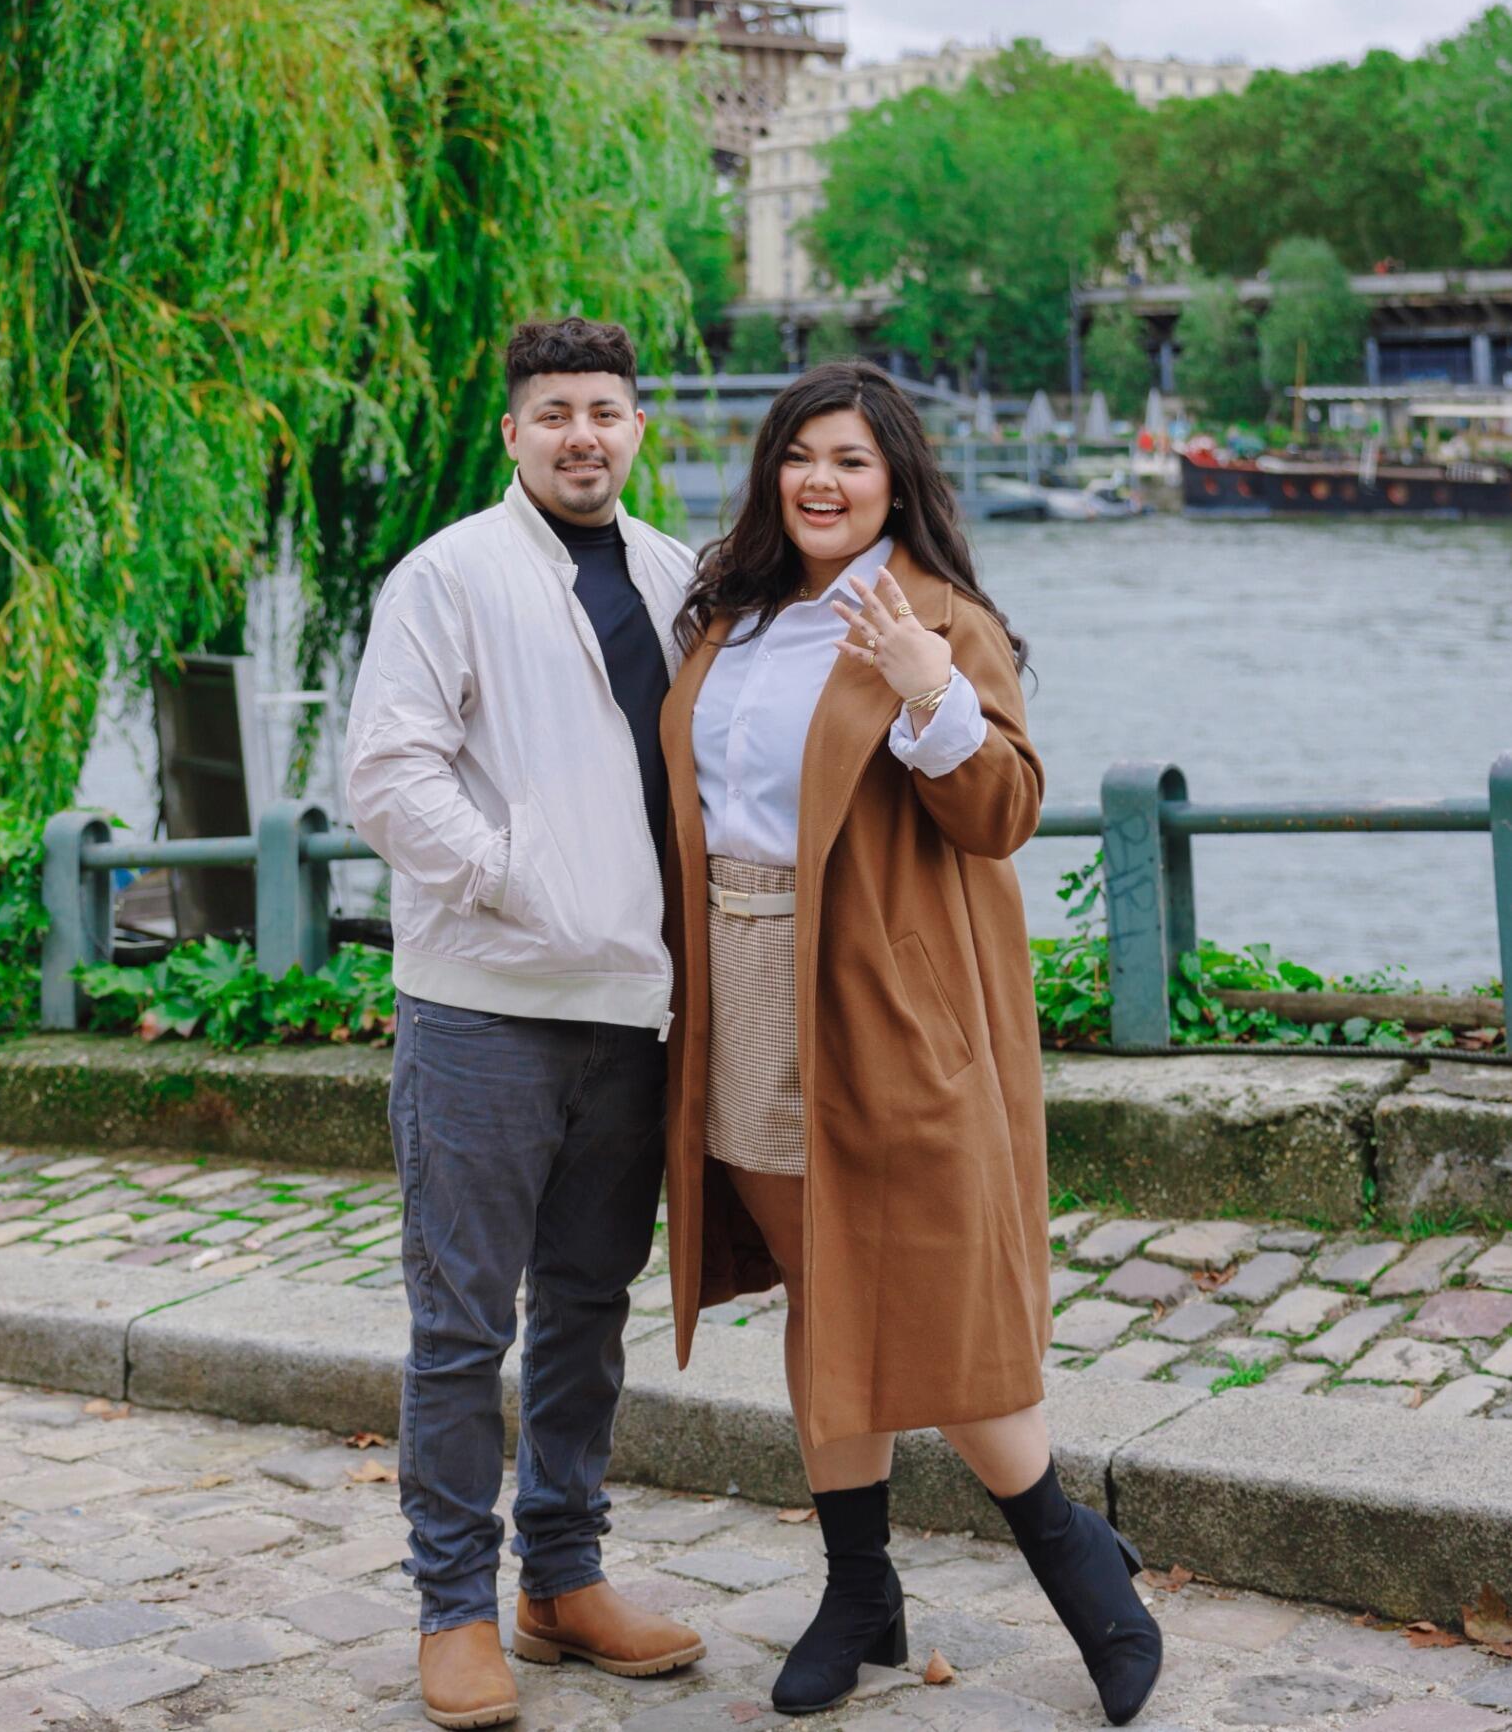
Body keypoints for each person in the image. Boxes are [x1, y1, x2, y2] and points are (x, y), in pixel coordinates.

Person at [659, 363, 1163, 1726]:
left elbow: (1001, 812)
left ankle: (1076, 1564)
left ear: (896, 483)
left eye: (852, 461)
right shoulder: (732, 617)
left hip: (883, 999)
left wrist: (930, 691)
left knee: (925, 1291)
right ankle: (858, 1589)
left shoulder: (936, 616)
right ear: (771, 473)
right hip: (738, 982)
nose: (821, 480)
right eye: (799, 455)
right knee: (828, 1286)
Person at [345, 317, 704, 1732]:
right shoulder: (448, 575)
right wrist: (518, 881)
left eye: (605, 412)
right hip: (484, 1006)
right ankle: (453, 1608)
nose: (582, 436)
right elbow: (387, 773)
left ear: (635, 427)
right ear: (512, 432)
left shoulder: (678, 576)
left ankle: (562, 1577)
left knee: (585, 1310)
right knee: (456, 1327)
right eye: (553, 412)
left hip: (634, 1012)